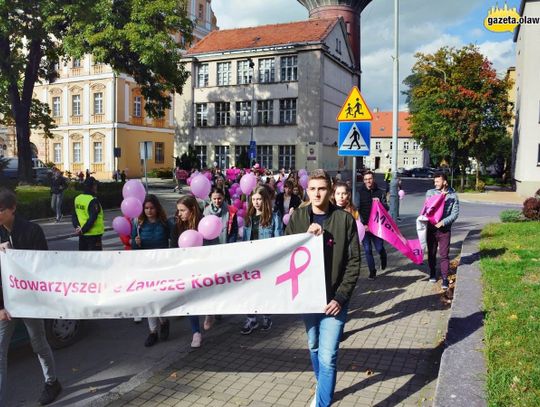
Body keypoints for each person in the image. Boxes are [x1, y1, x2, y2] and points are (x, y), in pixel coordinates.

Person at [285, 170, 360, 407]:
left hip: (334, 300)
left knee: (328, 357)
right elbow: (285, 251)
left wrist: (340, 297)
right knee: (313, 345)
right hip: (308, 299)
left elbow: (354, 262)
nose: (317, 194)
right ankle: (322, 386)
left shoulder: (344, 219)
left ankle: (322, 402)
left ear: (330, 190)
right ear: (307, 191)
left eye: (322, 189)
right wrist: (303, 238)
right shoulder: (298, 217)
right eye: (313, 189)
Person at [0, 188, 62, 406]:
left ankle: (51, 382)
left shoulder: (32, 230)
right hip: (6, 304)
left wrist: (14, 253)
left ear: (13, 208)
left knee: (38, 343)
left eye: (1, 210)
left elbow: (42, 265)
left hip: (29, 301)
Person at [241, 185, 283, 335]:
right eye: (254, 199)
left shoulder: (274, 216)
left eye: (259, 199)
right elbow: (245, 239)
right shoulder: (249, 217)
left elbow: (278, 239)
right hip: (251, 260)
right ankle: (251, 318)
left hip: (267, 261)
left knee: (265, 289)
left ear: (265, 200)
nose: (256, 202)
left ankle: (266, 316)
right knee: (249, 290)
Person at [131, 195, 171, 347]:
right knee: (149, 298)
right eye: (146, 208)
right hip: (146, 267)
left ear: (157, 208)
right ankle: (152, 331)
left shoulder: (164, 223)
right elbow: (134, 248)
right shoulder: (138, 224)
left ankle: (164, 321)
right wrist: (136, 243)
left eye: (151, 208)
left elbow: (172, 242)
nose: (148, 211)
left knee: (159, 298)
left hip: (161, 266)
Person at [169, 195, 205, 348]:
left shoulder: (203, 223)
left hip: (203, 268)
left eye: (182, 211)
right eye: (178, 211)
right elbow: (173, 248)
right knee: (191, 299)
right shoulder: (177, 226)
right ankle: (196, 332)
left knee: (205, 297)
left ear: (192, 210)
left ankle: (211, 314)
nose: (179, 214)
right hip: (185, 268)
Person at [202, 187, 238, 330]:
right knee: (210, 283)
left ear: (224, 197)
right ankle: (209, 314)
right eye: (215, 198)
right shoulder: (205, 212)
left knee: (222, 282)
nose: (217, 201)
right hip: (210, 252)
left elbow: (234, 231)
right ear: (211, 198)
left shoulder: (231, 211)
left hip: (224, 251)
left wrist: (229, 247)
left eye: (220, 198)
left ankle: (219, 308)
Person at [426, 172, 459, 290]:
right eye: (434, 182)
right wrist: (441, 197)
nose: (435, 184)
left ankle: (445, 278)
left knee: (444, 255)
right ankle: (432, 272)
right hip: (431, 229)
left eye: (437, 182)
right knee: (432, 253)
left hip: (444, 230)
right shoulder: (430, 193)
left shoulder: (453, 196)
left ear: (444, 182)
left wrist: (443, 222)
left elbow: (455, 214)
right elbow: (428, 208)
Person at [358, 171, 388, 280]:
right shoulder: (359, 192)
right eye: (366, 179)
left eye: (370, 179)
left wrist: (380, 203)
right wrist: (362, 224)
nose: (368, 181)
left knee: (379, 248)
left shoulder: (380, 192)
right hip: (364, 227)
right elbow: (356, 209)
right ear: (363, 180)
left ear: (373, 179)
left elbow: (387, 208)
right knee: (367, 250)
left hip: (377, 227)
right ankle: (372, 271)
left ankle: (383, 256)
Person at [72, 177, 104, 251]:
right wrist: (83, 230)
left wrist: (78, 228)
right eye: (95, 185)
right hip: (94, 235)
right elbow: (92, 218)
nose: (96, 187)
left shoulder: (77, 198)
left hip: (82, 235)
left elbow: (74, 215)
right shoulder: (92, 200)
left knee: (84, 258)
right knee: (96, 259)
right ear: (92, 187)